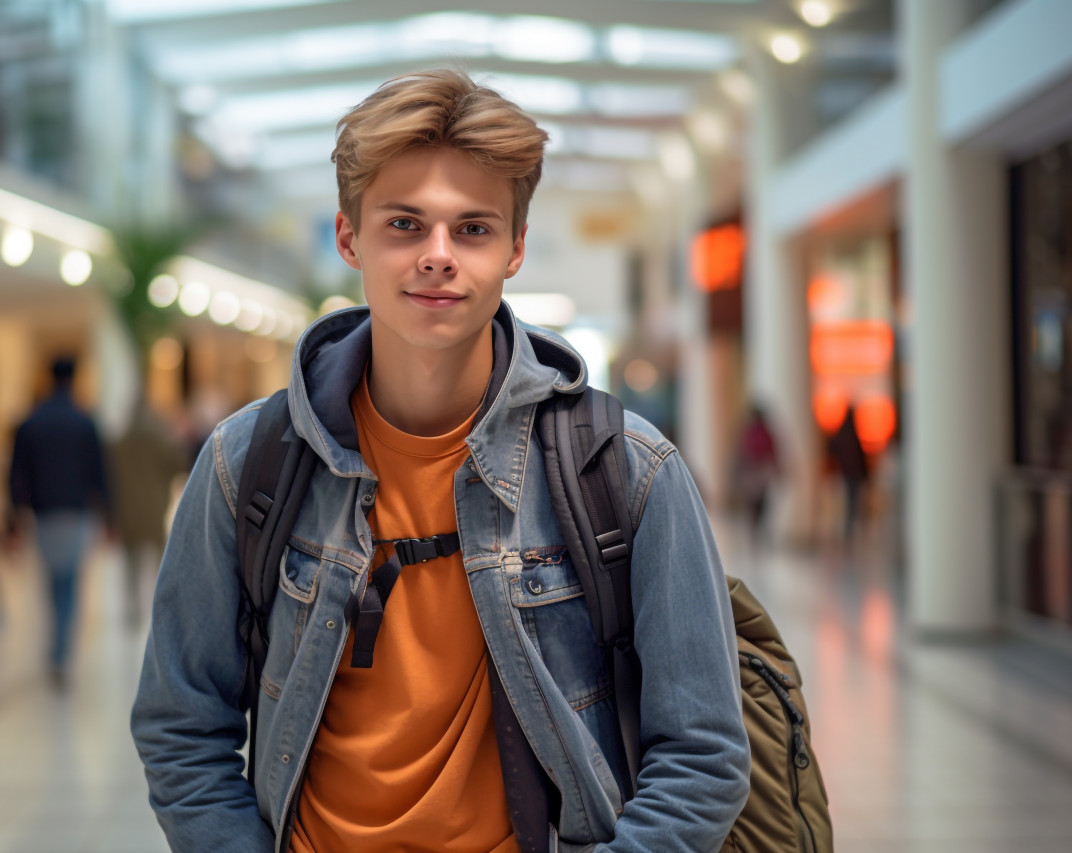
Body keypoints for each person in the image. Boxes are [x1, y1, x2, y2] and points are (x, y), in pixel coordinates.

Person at [131, 70, 749, 851]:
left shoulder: (626, 468)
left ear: (516, 247)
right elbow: (180, 726)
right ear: (349, 235)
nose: (437, 256)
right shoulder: (244, 463)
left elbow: (703, 754)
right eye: (404, 224)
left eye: (473, 229)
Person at [8, 356, 110, 688]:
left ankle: (56, 647)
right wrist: (109, 513)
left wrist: (14, 511)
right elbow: (100, 472)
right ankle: (60, 652)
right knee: (70, 583)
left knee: (52, 581)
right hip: (76, 511)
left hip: (44, 513)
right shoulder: (84, 422)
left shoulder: (32, 421)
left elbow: (16, 471)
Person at [110, 398, 187, 626]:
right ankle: (158, 603)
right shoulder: (159, 438)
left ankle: (132, 607)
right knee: (158, 557)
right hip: (154, 505)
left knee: (130, 559)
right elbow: (178, 464)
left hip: (127, 506)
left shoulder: (120, 441)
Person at [732, 403, 780, 545]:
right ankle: (756, 528)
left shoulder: (753, 432)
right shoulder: (758, 432)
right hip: (757, 471)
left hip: (756, 471)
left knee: (757, 503)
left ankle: (756, 528)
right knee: (757, 502)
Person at [826, 404, 868, 543]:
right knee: (850, 503)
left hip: (846, 475)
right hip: (850, 475)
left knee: (848, 503)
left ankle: (847, 530)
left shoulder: (843, 434)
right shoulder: (851, 435)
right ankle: (847, 530)